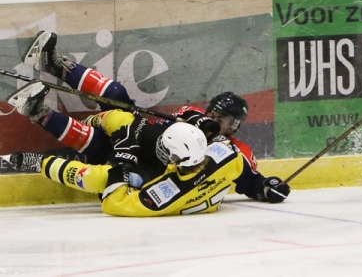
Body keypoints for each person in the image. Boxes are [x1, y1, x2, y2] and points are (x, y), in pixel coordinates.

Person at [11, 30, 290, 203]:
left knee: (97, 150)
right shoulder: (193, 115)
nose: (217, 119)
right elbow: (176, 127)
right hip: (139, 140)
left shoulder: (235, 152)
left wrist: (266, 186)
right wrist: (201, 125)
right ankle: (56, 65)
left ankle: (39, 115)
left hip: (148, 175)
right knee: (117, 95)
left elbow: (248, 180)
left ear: (236, 126)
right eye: (214, 112)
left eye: (225, 119)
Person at [3, 122, 246, 217]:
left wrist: (122, 159)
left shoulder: (166, 193)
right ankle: (82, 127)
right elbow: (238, 159)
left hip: (168, 186)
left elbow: (114, 203)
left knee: (100, 177)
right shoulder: (228, 156)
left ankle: (42, 163)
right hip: (187, 181)